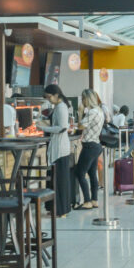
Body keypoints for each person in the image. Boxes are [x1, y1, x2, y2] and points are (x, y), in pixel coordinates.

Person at [40, 85, 73, 216]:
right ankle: (58, 209)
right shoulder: (60, 107)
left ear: (56, 95)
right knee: (59, 180)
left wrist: (43, 128)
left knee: (60, 180)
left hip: (60, 149)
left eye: (49, 97)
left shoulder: (61, 107)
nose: (49, 100)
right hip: (60, 147)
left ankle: (61, 210)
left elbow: (62, 127)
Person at [74, 89, 104, 210]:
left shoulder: (92, 112)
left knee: (80, 173)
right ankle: (94, 200)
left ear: (88, 99)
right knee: (92, 173)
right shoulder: (99, 111)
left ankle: (87, 201)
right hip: (96, 145)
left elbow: (81, 126)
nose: (82, 101)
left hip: (89, 146)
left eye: (83, 98)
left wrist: (81, 112)